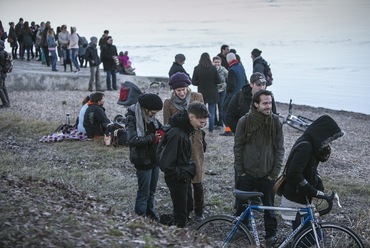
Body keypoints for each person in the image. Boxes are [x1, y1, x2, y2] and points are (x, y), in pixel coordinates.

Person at [233, 89, 284, 247]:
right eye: (265, 103)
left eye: (270, 102)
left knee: (269, 208)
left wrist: (274, 173)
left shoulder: (275, 122)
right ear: (256, 104)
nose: (268, 106)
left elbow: (280, 149)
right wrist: (240, 171)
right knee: (241, 205)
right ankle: (242, 230)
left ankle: (271, 236)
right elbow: (238, 147)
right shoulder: (245, 121)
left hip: (267, 174)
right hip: (246, 172)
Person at [281, 115, 344, 231]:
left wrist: (318, 182)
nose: (328, 142)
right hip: (296, 199)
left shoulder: (311, 143)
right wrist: (313, 191)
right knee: (309, 237)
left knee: (304, 235)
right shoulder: (306, 146)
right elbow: (293, 173)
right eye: (328, 139)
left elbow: (310, 168)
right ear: (322, 133)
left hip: (301, 198)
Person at [158, 101, 210, 228]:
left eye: (204, 123)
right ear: (191, 117)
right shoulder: (177, 134)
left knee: (188, 206)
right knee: (181, 211)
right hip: (177, 177)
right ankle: (179, 234)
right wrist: (184, 172)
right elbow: (166, 163)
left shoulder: (186, 129)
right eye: (201, 122)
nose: (202, 126)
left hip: (183, 174)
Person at [162, 72, 206, 221]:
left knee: (197, 176)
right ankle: (186, 208)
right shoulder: (168, 103)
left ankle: (199, 210)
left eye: (184, 89)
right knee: (183, 175)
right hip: (180, 143)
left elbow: (202, 118)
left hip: (195, 141)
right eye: (178, 90)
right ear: (173, 90)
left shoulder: (197, 97)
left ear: (188, 87)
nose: (181, 93)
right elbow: (167, 125)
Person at [125, 93, 164, 221]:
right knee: (144, 193)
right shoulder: (132, 118)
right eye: (153, 112)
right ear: (145, 109)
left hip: (154, 159)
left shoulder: (151, 118)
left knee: (152, 191)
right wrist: (153, 138)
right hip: (142, 160)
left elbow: (160, 128)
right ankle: (140, 218)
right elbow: (132, 140)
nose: (154, 115)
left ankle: (150, 214)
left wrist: (162, 133)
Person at [192, 52, 221, 133]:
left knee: (201, 111)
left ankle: (201, 126)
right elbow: (218, 81)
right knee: (212, 111)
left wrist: (200, 82)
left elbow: (193, 82)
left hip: (202, 92)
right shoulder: (213, 68)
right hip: (213, 92)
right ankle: (211, 129)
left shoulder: (197, 68)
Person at [220, 52, 248, 136]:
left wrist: (227, 92)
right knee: (237, 113)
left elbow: (231, 85)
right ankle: (238, 129)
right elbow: (245, 80)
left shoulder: (232, 70)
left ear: (228, 60)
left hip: (233, 95)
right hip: (242, 93)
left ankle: (229, 129)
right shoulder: (241, 67)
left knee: (224, 111)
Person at [212, 56, 228, 130]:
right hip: (213, 91)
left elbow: (228, 78)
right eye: (215, 62)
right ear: (213, 62)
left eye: (218, 62)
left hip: (222, 90)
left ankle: (221, 123)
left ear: (220, 63)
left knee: (221, 107)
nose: (217, 64)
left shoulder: (223, 70)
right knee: (213, 108)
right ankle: (215, 123)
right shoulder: (211, 69)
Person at [0, 40, 10, 108]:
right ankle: (7, 102)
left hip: (0, 72)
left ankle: (5, 103)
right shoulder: (4, 52)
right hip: (4, 72)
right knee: (3, 88)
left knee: (0, 88)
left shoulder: (0, 53)